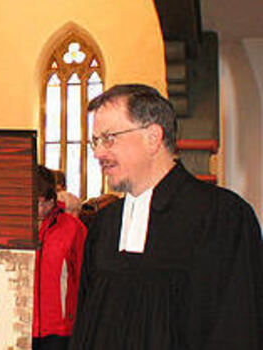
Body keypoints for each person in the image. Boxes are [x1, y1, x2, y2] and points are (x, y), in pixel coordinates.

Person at [71, 84, 263, 349]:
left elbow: (236, 329)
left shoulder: (222, 217)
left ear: (153, 137)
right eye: (95, 141)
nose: (98, 153)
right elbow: (86, 328)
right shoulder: (104, 225)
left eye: (109, 138)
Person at [33, 165, 87, 350]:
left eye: (45, 202)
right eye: (35, 203)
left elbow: (83, 276)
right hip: (21, 322)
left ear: (54, 198)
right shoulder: (14, 228)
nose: (40, 210)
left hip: (59, 328)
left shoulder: (73, 228)